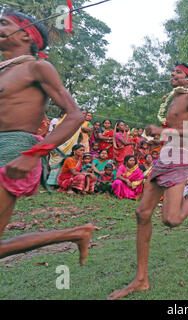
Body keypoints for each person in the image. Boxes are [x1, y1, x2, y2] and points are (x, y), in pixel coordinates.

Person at [108, 62, 188, 300]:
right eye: (173, 71)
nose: (172, 74)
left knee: (171, 219)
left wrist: (164, 132)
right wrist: (159, 139)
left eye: (178, 72)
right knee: (142, 213)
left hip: (180, 157)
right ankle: (141, 279)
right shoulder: (171, 100)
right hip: (166, 155)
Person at [0, 10, 94, 264]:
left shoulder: (38, 67)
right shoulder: (4, 71)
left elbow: (75, 115)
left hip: (14, 153)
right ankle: (76, 233)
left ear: (25, 35)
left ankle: (76, 233)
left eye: (4, 23)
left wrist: (34, 154)